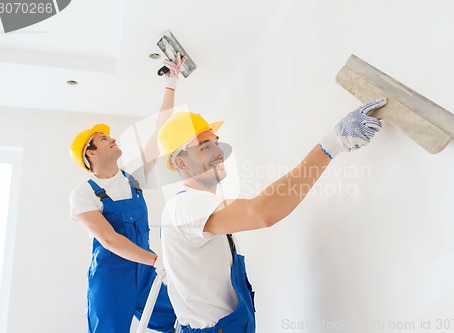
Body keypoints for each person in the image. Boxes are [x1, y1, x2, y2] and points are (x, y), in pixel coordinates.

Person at [157, 98, 387, 333]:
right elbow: (263, 212)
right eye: (205, 146)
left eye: (216, 143)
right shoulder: (185, 205)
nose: (219, 152)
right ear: (180, 161)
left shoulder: (197, 205)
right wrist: (333, 143)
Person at [69, 54, 186, 333]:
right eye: (103, 139)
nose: (113, 139)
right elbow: (109, 239)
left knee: (182, 321)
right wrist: (157, 260)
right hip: (111, 280)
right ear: (90, 153)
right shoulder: (84, 195)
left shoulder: (133, 178)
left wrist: (170, 84)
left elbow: (160, 132)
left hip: (145, 274)